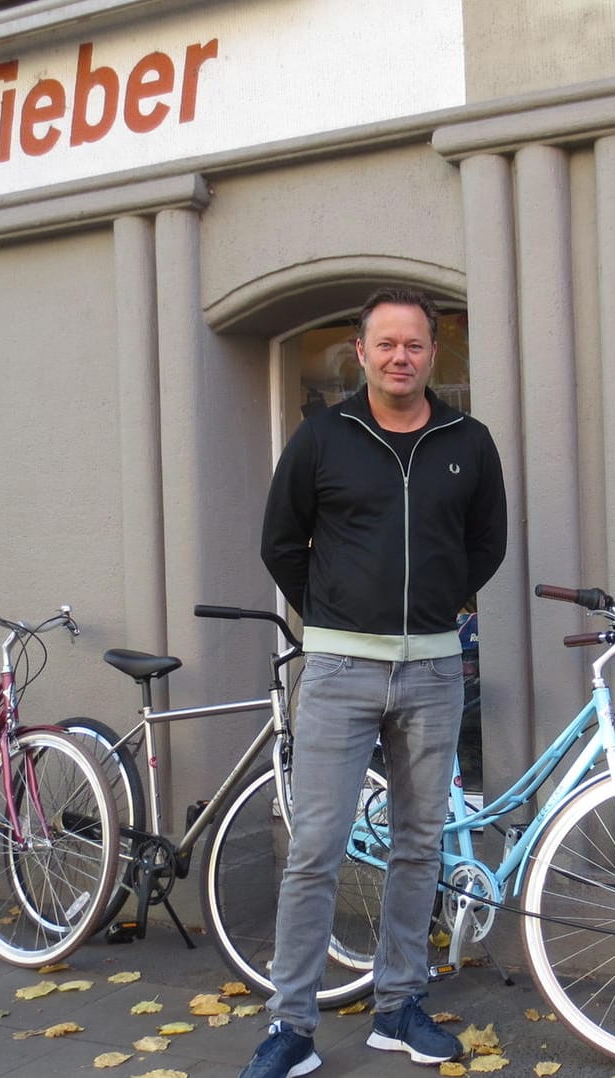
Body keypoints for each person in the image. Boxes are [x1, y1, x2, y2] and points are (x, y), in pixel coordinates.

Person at [242, 287, 508, 1078]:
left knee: (418, 847)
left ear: (433, 354)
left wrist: (439, 603)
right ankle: (290, 1027)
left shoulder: (469, 440)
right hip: (337, 668)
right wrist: (330, 614)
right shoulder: (324, 436)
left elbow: (486, 543)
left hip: (432, 669)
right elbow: (281, 543)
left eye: (415, 345)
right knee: (316, 848)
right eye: (386, 344)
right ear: (360, 353)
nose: (401, 356)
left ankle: (398, 1006)